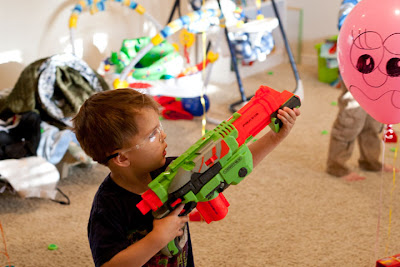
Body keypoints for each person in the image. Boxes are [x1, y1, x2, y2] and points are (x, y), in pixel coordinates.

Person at [72, 88, 300, 267]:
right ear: (121, 159)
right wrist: (157, 239)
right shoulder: (108, 207)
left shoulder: (172, 170)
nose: (163, 135)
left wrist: (274, 138)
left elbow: (225, 169)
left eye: (159, 127)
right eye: (152, 135)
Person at [326, 0, 394, 181]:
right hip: (358, 69)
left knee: (373, 122)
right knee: (351, 117)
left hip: (383, 71)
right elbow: (345, 23)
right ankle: (336, 165)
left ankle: (370, 161)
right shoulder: (353, 3)